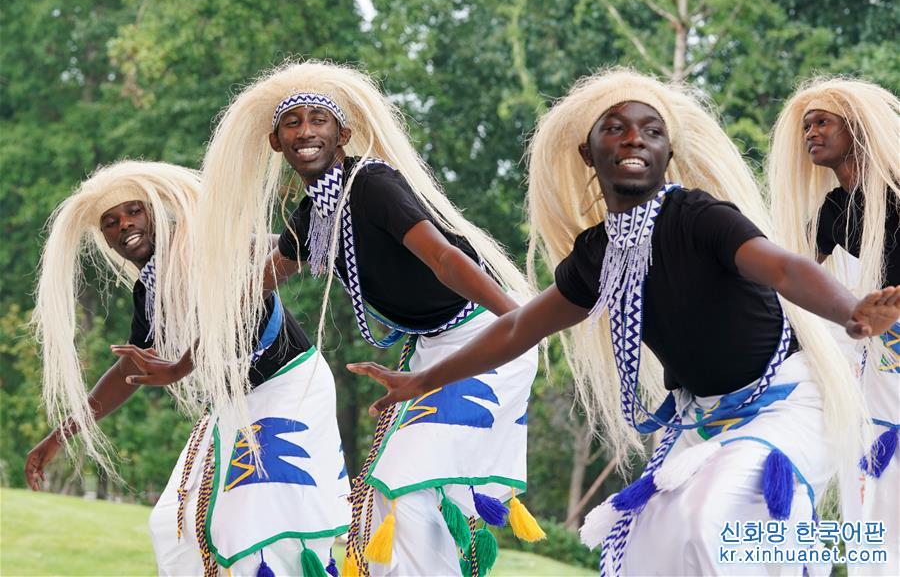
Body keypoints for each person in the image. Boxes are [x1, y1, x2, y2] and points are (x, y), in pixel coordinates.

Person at [348, 69, 899, 575]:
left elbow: (785, 267)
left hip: (785, 404)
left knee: (712, 522)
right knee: (650, 549)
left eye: (651, 130)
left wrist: (850, 313)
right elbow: (518, 330)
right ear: (589, 153)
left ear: (667, 151)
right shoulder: (596, 255)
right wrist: (424, 380)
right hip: (701, 421)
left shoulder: (699, 217)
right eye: (615, 128)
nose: (635, 138)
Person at [195, 60, 542, 575]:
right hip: (434, 347)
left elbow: (445, 258)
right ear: (276, 142)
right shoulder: (317, 211)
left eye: (318, 120)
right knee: (387, 492)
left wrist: (518, 322)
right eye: (292, 123)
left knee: (410, 484)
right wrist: (203, 277)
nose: (305, 131)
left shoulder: (372, 184)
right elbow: (271, 271)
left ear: (344, 135)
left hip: (490, 331)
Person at [27, 160, 348, 576]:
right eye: (111, 222)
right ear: (106, 239)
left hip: (289, 383)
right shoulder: (149, 292)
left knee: (257, 522)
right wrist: (60, 434)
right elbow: (128, 372)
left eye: (133, 212)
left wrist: (311, 243)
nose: (124, 225)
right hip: (236, 403)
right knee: (173, 525)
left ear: (155, 214)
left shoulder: (205, 243)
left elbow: (275, 256)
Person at [768, 77, 900, 574]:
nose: (811, 134)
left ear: (857, 130)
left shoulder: (895, 193)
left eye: (822, 122)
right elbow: (796, 274)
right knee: (863, 466)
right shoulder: (833, 209)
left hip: (889, 355)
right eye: (805, 127)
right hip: (868, 353)